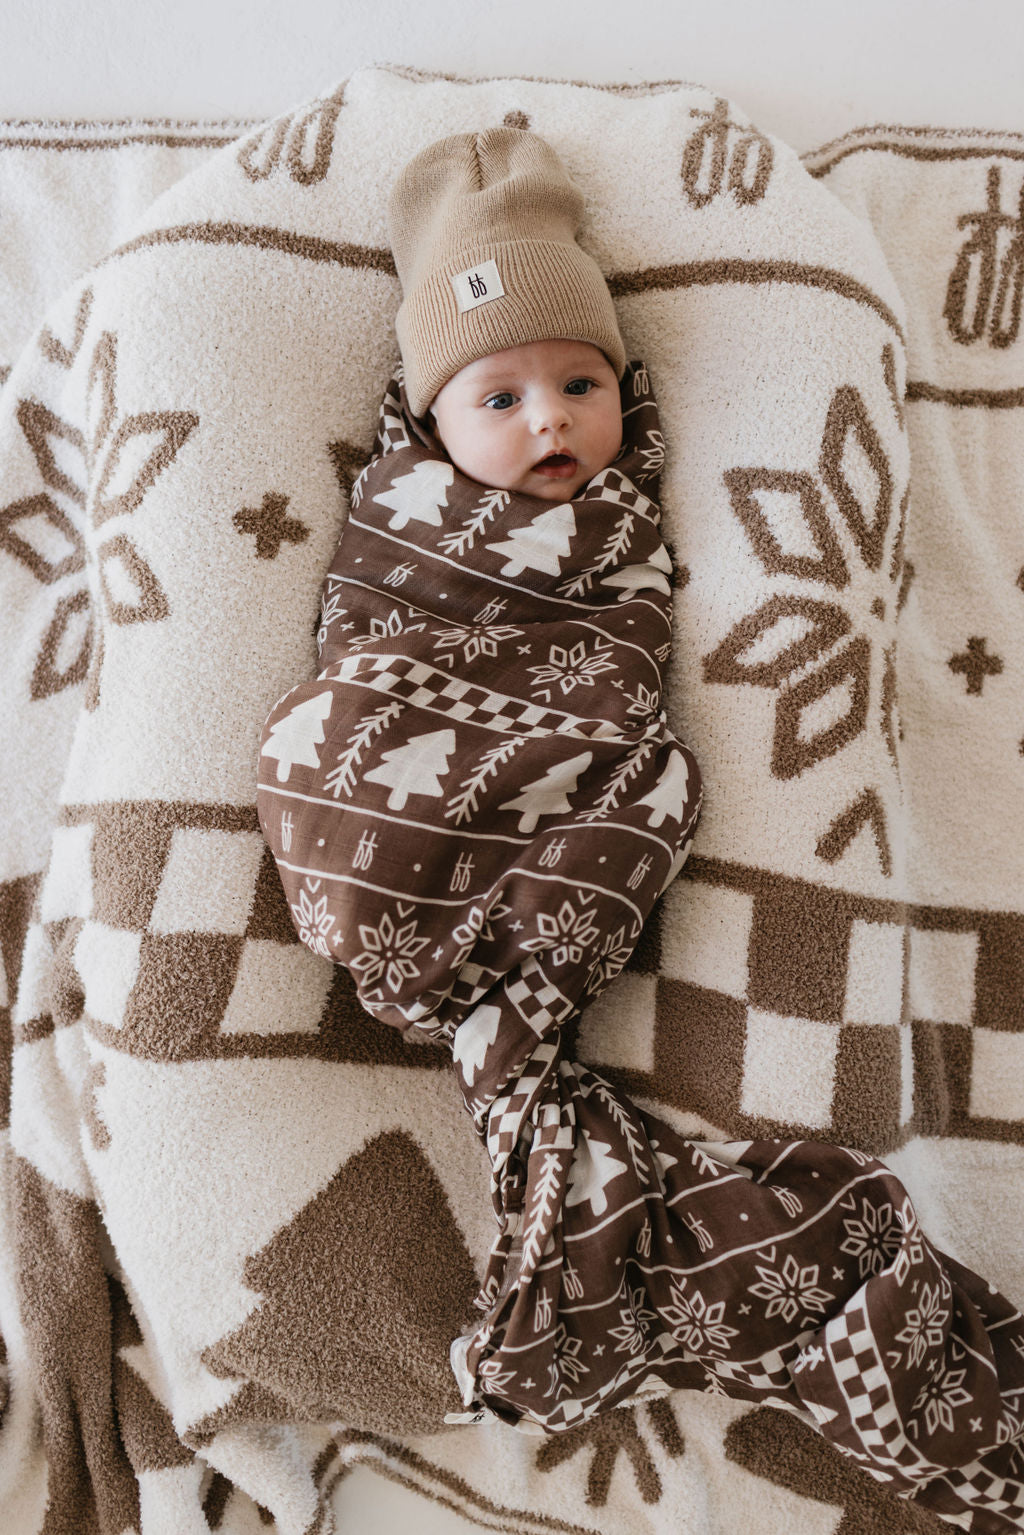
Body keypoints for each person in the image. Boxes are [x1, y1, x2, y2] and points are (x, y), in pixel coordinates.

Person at [256, 131, 1024, 1527]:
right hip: (409, 806)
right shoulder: (411, 521)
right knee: (378, 755)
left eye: (581, 384)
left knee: (654, 779)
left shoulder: (617, 526)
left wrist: (617, 765)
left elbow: (615, 658)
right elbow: (360, 665)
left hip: (550, 798)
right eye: (501, 395)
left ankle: (621, 1273)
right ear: (434, 426)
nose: (551, 420)